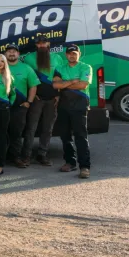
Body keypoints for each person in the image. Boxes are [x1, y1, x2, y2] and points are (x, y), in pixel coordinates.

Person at [21, 35, 63, 166]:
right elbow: (24, 79)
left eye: (44, 43)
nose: (41, 45)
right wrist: (31, 95)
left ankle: (42, 155)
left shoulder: (58, 58)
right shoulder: (28, 58)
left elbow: (61, 77)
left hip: (52, 100)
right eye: (39, 43)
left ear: (48, 44)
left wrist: (58, 95)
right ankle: (26, 156)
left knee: (47, 129)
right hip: (36, 99)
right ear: (36, 45)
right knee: (31, 128)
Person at [53, 44, 93, 179]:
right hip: (63, 106)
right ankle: (70, 162)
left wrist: (64, 83)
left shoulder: (86, 67)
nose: (72, 55)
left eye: (74, 53)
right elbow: (55, 85)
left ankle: (84, 167)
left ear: (79, 54)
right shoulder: (60, 67)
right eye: (69, 53)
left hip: (80, 106)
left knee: (81, 137)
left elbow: (83, 84)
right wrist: (72, 81)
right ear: (66, 55)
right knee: (65, 136)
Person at [4, 44, 39, 167]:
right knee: (2, 132)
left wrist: (28, 102)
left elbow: (33, 86)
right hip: (1, 106)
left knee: (16, 133)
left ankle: (16, 157)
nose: (12, 53)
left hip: (19, 107)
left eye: (14, 51)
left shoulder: (26, 68)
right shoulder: (0, 66)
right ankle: (2, 157)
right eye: (9, 52)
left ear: (18, 54)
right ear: (5, 54)